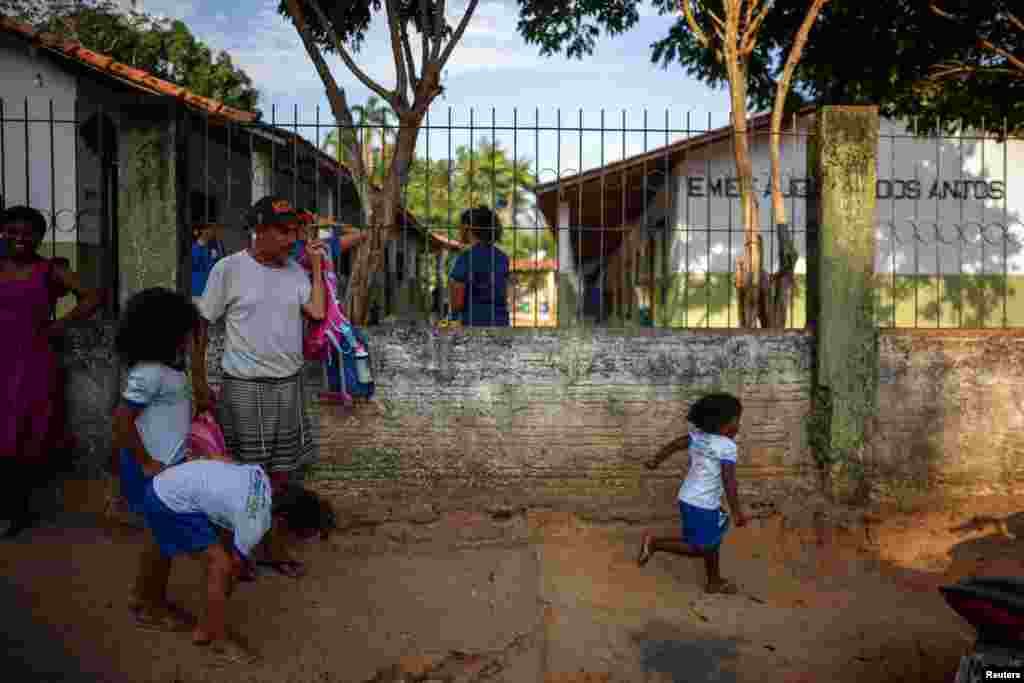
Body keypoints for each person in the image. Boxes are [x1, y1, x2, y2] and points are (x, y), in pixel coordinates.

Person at [191, 196, 327, 578]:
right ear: (259, 230)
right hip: (244, 388)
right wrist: (199, 381)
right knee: (244, 475)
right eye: (283, 231)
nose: (291, 239)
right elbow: (201, 324)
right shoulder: (228, 269)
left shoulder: (295, 273)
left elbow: (316, 312)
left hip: (289, 386)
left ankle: (272, 549)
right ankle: (238, 554)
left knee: (282, 475)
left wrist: (315, 267)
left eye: (295, 232)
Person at [139, 453, 335, 664]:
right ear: (282, 522)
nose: (295, 545)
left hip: (171, 483)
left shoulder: (264, 480)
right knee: (221, 567)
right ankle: (218, 639)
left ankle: (204, 626)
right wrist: (228, 580)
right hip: (168, 501)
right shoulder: (255, 523)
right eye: (298, 538)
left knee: (223, 560)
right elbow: (232, 570)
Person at [0, 205, 104, 538]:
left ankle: (15, 509)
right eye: (11, 231)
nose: (19, 238)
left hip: (32, 360)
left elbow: (92, 296)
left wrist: (62, 324)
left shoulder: (50, 271)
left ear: (39, 237)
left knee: (22, 432)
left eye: (27, 232)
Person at [111, 287, 200, 629]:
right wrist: (147, 462)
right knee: (159, 540)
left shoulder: (167, 370)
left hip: (165, 466)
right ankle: (150, 604)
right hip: (152, 468)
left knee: (162, 538)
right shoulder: (150, 372)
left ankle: (144, 597)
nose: (189, 339)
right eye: (184, 333)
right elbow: (121, 419)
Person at [637, 392, 748, 594]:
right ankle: (654, 544)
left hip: (690, 498)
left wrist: (656, 460)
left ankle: (714, 581)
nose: (739, 426)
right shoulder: (727, 447)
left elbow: (676, 444)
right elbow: (729, 481)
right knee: (700, 547)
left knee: (712, 540)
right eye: (737, 421)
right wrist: (738, 511)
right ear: (724, 425)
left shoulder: (699, 437)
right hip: (701, 504)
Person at [448, 206, 510, 327]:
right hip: (500, 322)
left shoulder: (466, 258)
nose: (458, 230)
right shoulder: (502, 257)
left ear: (467, 227)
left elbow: (457, 303)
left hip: (473, 323)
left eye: (460, 226)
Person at [190, 223, 226, 301]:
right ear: (203, 231)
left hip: (209, 290)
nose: (212, 233)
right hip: (198, 290)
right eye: (210, 230)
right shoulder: (195, 248)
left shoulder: (210, 248)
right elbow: (196, 266)